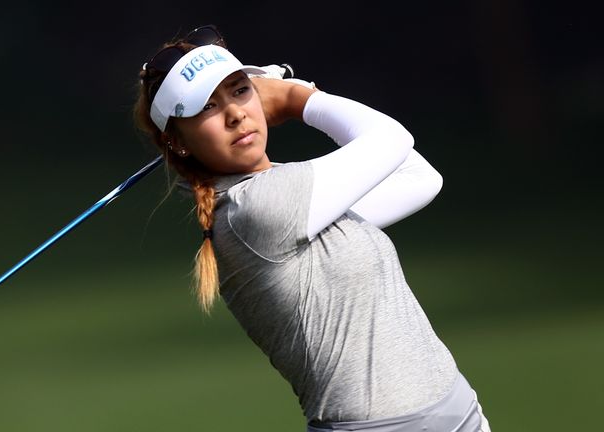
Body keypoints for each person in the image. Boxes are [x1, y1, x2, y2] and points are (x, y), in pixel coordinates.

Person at [132, 24, 491, 432]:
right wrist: (298, 98)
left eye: (240, 91)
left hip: (460, 411)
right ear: (177, 141)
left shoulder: (293, 198)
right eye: (208, 107)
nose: (236, 114)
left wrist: (299, 96)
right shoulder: (255, 208)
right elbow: (392, 138)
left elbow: (418, 177)